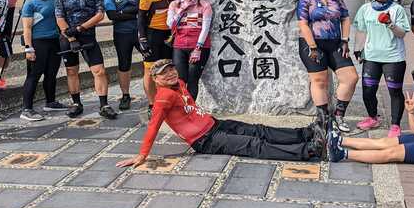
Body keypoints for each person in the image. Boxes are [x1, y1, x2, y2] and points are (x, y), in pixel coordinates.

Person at [116, 59, 326, 168]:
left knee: (258, 130)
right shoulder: (163, 98)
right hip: (205, 140)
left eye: (171, 69)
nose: (170, 74)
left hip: (215, 124)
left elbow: (190, 109)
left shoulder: (179, 83)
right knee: (254, 145)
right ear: (155, 79)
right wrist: (142, 154)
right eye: (164, 73)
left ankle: (305, 133)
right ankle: (308, 150)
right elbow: (153, 126)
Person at [297, 0, 358, 132]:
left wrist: (345, 40)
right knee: (320, 81)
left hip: (335, 43)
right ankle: (323, 120)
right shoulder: (306, 0)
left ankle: (338, 115)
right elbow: (303, 24)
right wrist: (313, 47)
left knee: (351, 77)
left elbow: (345, 19)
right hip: (312, 44)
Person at [55, 0, 115, 119]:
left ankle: (104, 104)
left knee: (99, 71)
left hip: (88, 36)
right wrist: (71, 37)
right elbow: (59, 18)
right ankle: (76, 103)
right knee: (71, 71)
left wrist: (80, 28)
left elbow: (100, 15)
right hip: (67, 37)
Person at [351, 0, 410, 135]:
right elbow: (361, 30)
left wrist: (390, 23)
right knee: (368, 91)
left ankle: (395, 125)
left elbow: (402, 34)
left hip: (393, 58)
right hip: (371, 57)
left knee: (394, 92)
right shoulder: (365, 9)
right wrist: (357, 49)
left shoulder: (397, 9)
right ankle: (373, 118)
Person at [20, 0, 66, 121]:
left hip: (54, 40)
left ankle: (50, 102)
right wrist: (28, 48)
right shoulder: (30, 4)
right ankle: (27, 109)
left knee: (51, 73)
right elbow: (27, 28)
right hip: (38, 41)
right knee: (34, 75)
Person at [137, 0, 179, 116]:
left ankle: (167, 100)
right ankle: (151, 104)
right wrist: (142, 39)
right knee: (150, 70)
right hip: (153, 34)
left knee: (168, 68)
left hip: (170, 33)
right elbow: (141, 18)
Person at [167, 0, 213, 100]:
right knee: (180, 79)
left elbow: (205, 28)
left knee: (193, 79)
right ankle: (182, 108)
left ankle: (191, 109)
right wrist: (181, 10)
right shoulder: (174, 4)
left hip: (198, 46)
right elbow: (170, 24)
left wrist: (198, 48)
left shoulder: (204, 5)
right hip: (179, 45)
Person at [104, 0, 144, 110]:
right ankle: (125, 95)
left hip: (141, 32)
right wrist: (136, 14)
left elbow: (145, 9)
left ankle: (155, 92)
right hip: (122, 34)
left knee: (150, 62)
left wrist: (122, 12)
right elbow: (112, 15)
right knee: (124, 64)